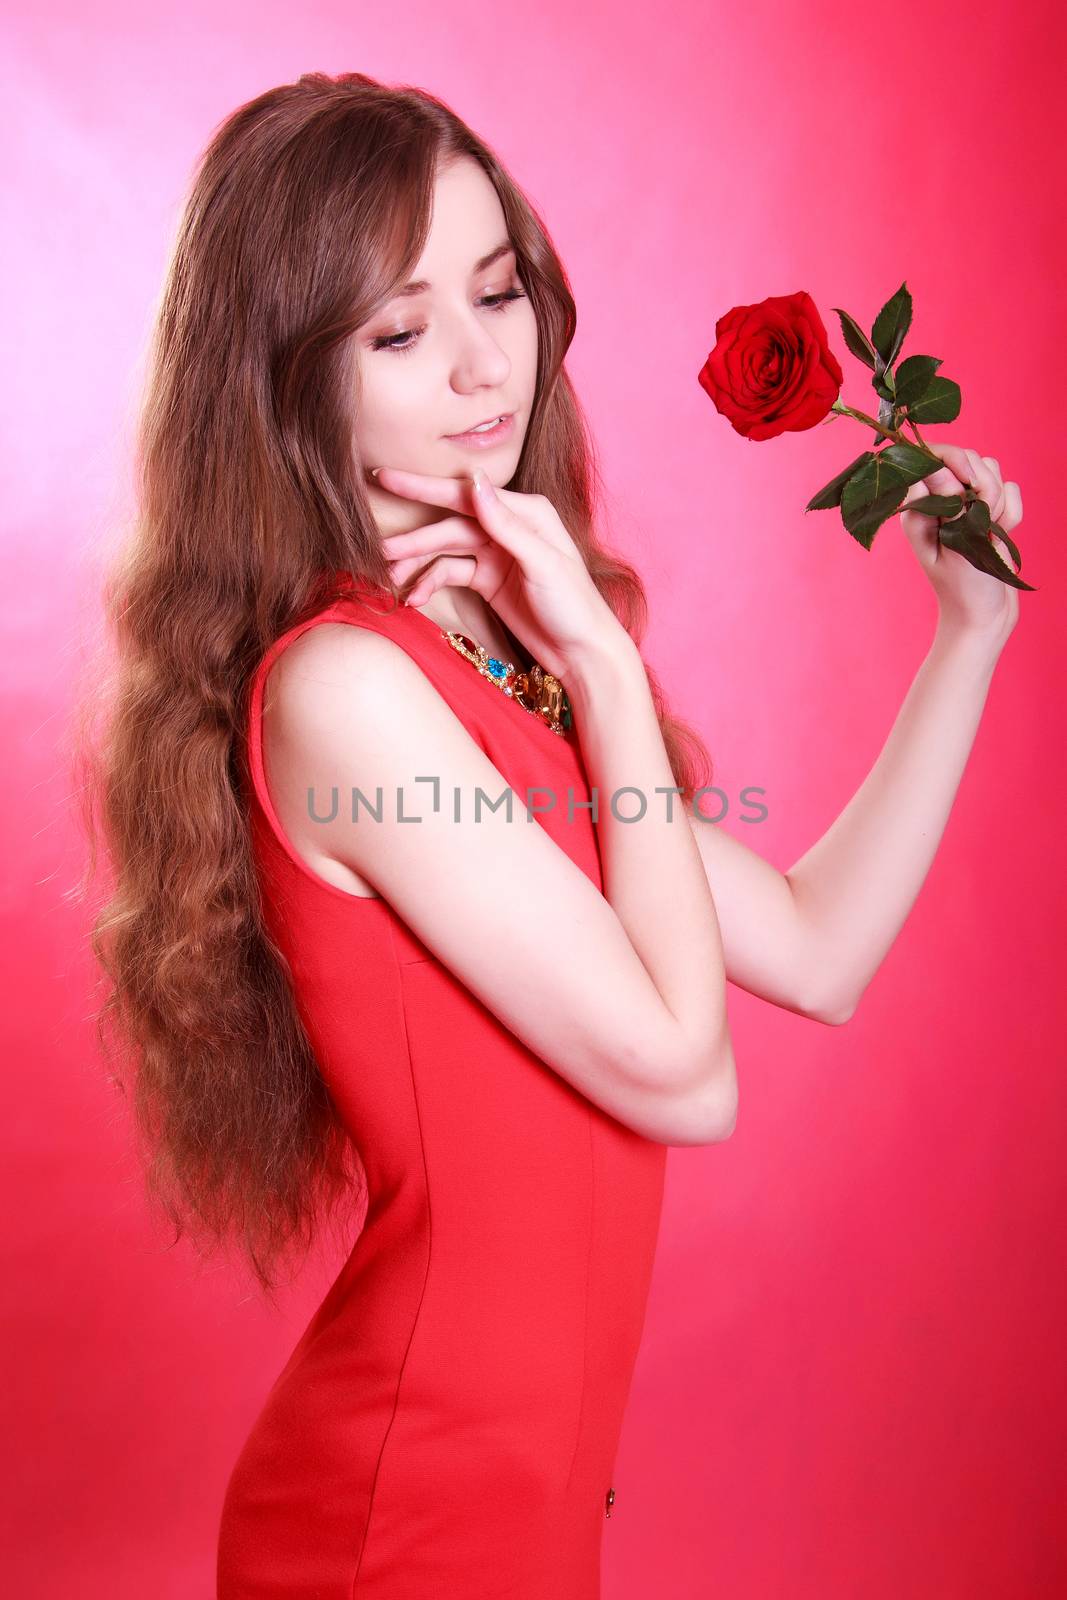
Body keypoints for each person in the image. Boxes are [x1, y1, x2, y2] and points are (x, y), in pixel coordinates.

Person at [75, 70, 1021, 1600]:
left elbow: (817, 948)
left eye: (499, 292)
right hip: (405, 1522)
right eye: (397, 330)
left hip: (522, 1514)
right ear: (286, 382)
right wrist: (596, 662)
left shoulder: (484, 657)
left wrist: (963, 644)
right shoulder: (345, 689)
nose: (477, 368)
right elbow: (681, 1069)